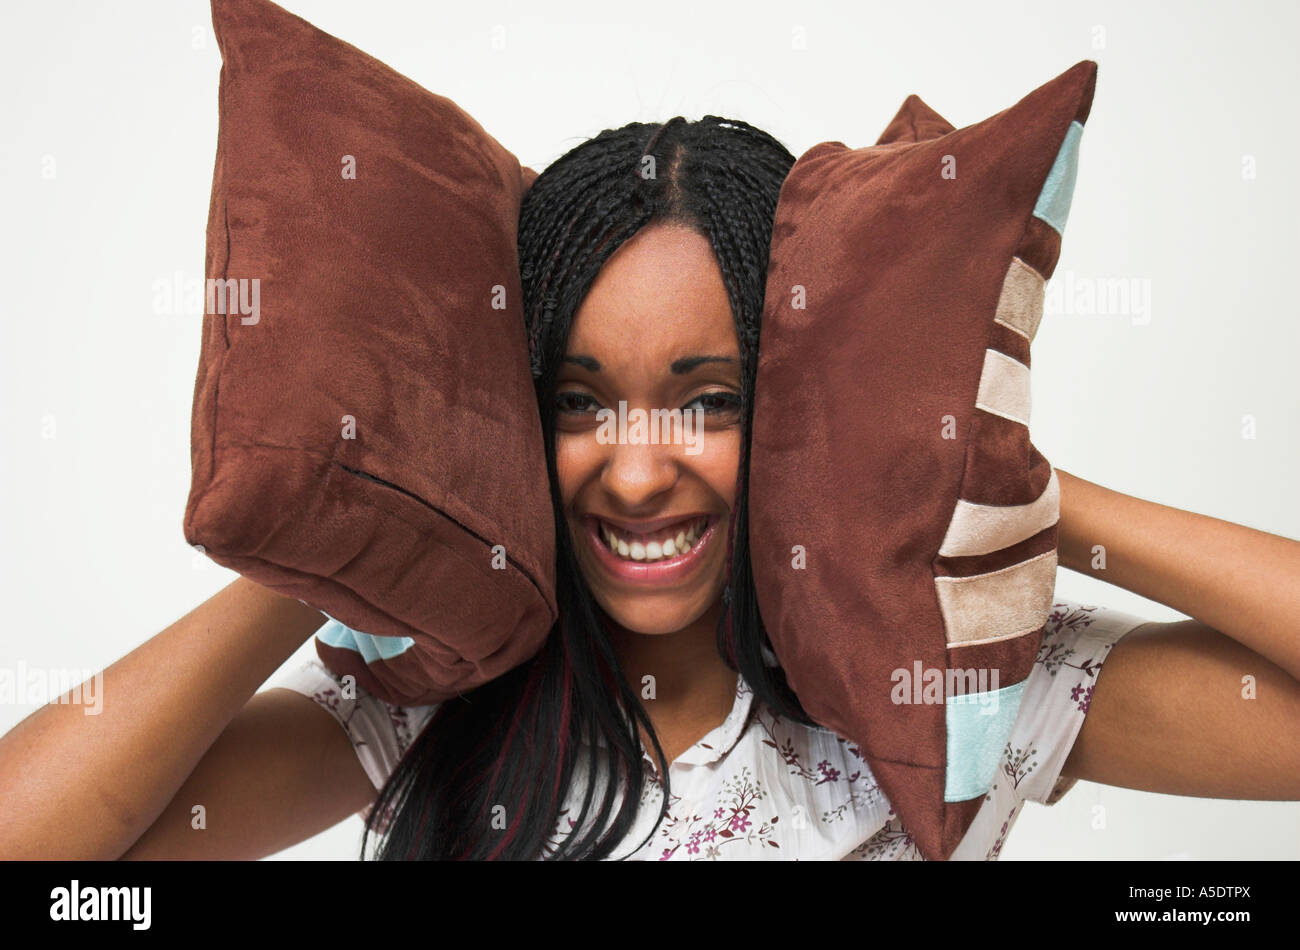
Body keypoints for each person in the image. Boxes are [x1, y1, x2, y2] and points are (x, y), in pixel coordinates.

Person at [2, 116, 1297, 861]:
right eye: (576, 398)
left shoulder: (961, 681)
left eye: (707, 398)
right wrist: (355, 509)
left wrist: (1002, 482)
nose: (634, 466)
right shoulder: (428, 703)